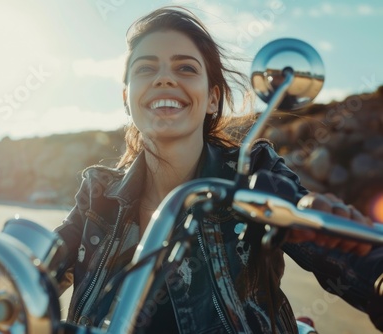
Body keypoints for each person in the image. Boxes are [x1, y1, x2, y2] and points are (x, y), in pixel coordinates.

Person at [55, 6, 383, 333]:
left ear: (213, 98)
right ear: (127, 98)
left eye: (185, 68)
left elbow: (352, 260)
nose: (164, 78)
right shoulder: (99, 194)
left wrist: (369, 265)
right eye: (145, 68)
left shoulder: (252, 176)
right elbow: (36, 270)